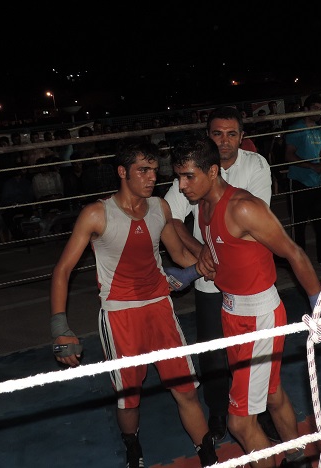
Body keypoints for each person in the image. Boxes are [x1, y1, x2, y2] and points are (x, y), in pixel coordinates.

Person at [50, 142, 217, 468]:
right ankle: (132, 446)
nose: (152, 177)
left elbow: (179, 256)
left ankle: (209, 457)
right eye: (143, 170)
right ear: (122, 172)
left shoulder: (159, 207)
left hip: (160, 308)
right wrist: (60, 326)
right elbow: (63, 270)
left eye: (154, 170)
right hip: (120, 315)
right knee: (129, 398)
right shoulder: (97, 214)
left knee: (185, 389)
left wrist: (210, 265)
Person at [171, 137, 321, 468]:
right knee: (271, 393)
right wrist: (194, 264)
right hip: (231, 311)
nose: (182, 186)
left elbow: (294, 252)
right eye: (179, 177)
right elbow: (184, 229)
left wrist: (319, 306)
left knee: (240, 423)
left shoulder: (243, 207)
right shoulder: (203, 207)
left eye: (188, 176)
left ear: (212, 171)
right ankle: (299, 458)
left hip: (259, 316)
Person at [164, 106, 273, 442]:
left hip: (247, 280)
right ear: (207, 136)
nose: (224, 141)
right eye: (217, 134)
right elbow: (167, 215)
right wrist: (200, 252)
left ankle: (258, 411)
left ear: (242, 137)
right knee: (213, 351)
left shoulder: (255, 165)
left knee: (255, 352)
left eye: (231, 134)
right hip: (210, 280)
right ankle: (217, 411)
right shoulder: (192, 167)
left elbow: (257, 224)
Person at [285, 94, 321, 266]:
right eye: (315, 108)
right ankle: (298, 260)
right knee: (299, 224)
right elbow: (289, 155)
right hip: (299, 181)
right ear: (306, 109)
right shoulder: (296, 129)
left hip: (317, 182)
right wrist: (312, 166)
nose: (319, 112)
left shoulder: (319, 130)